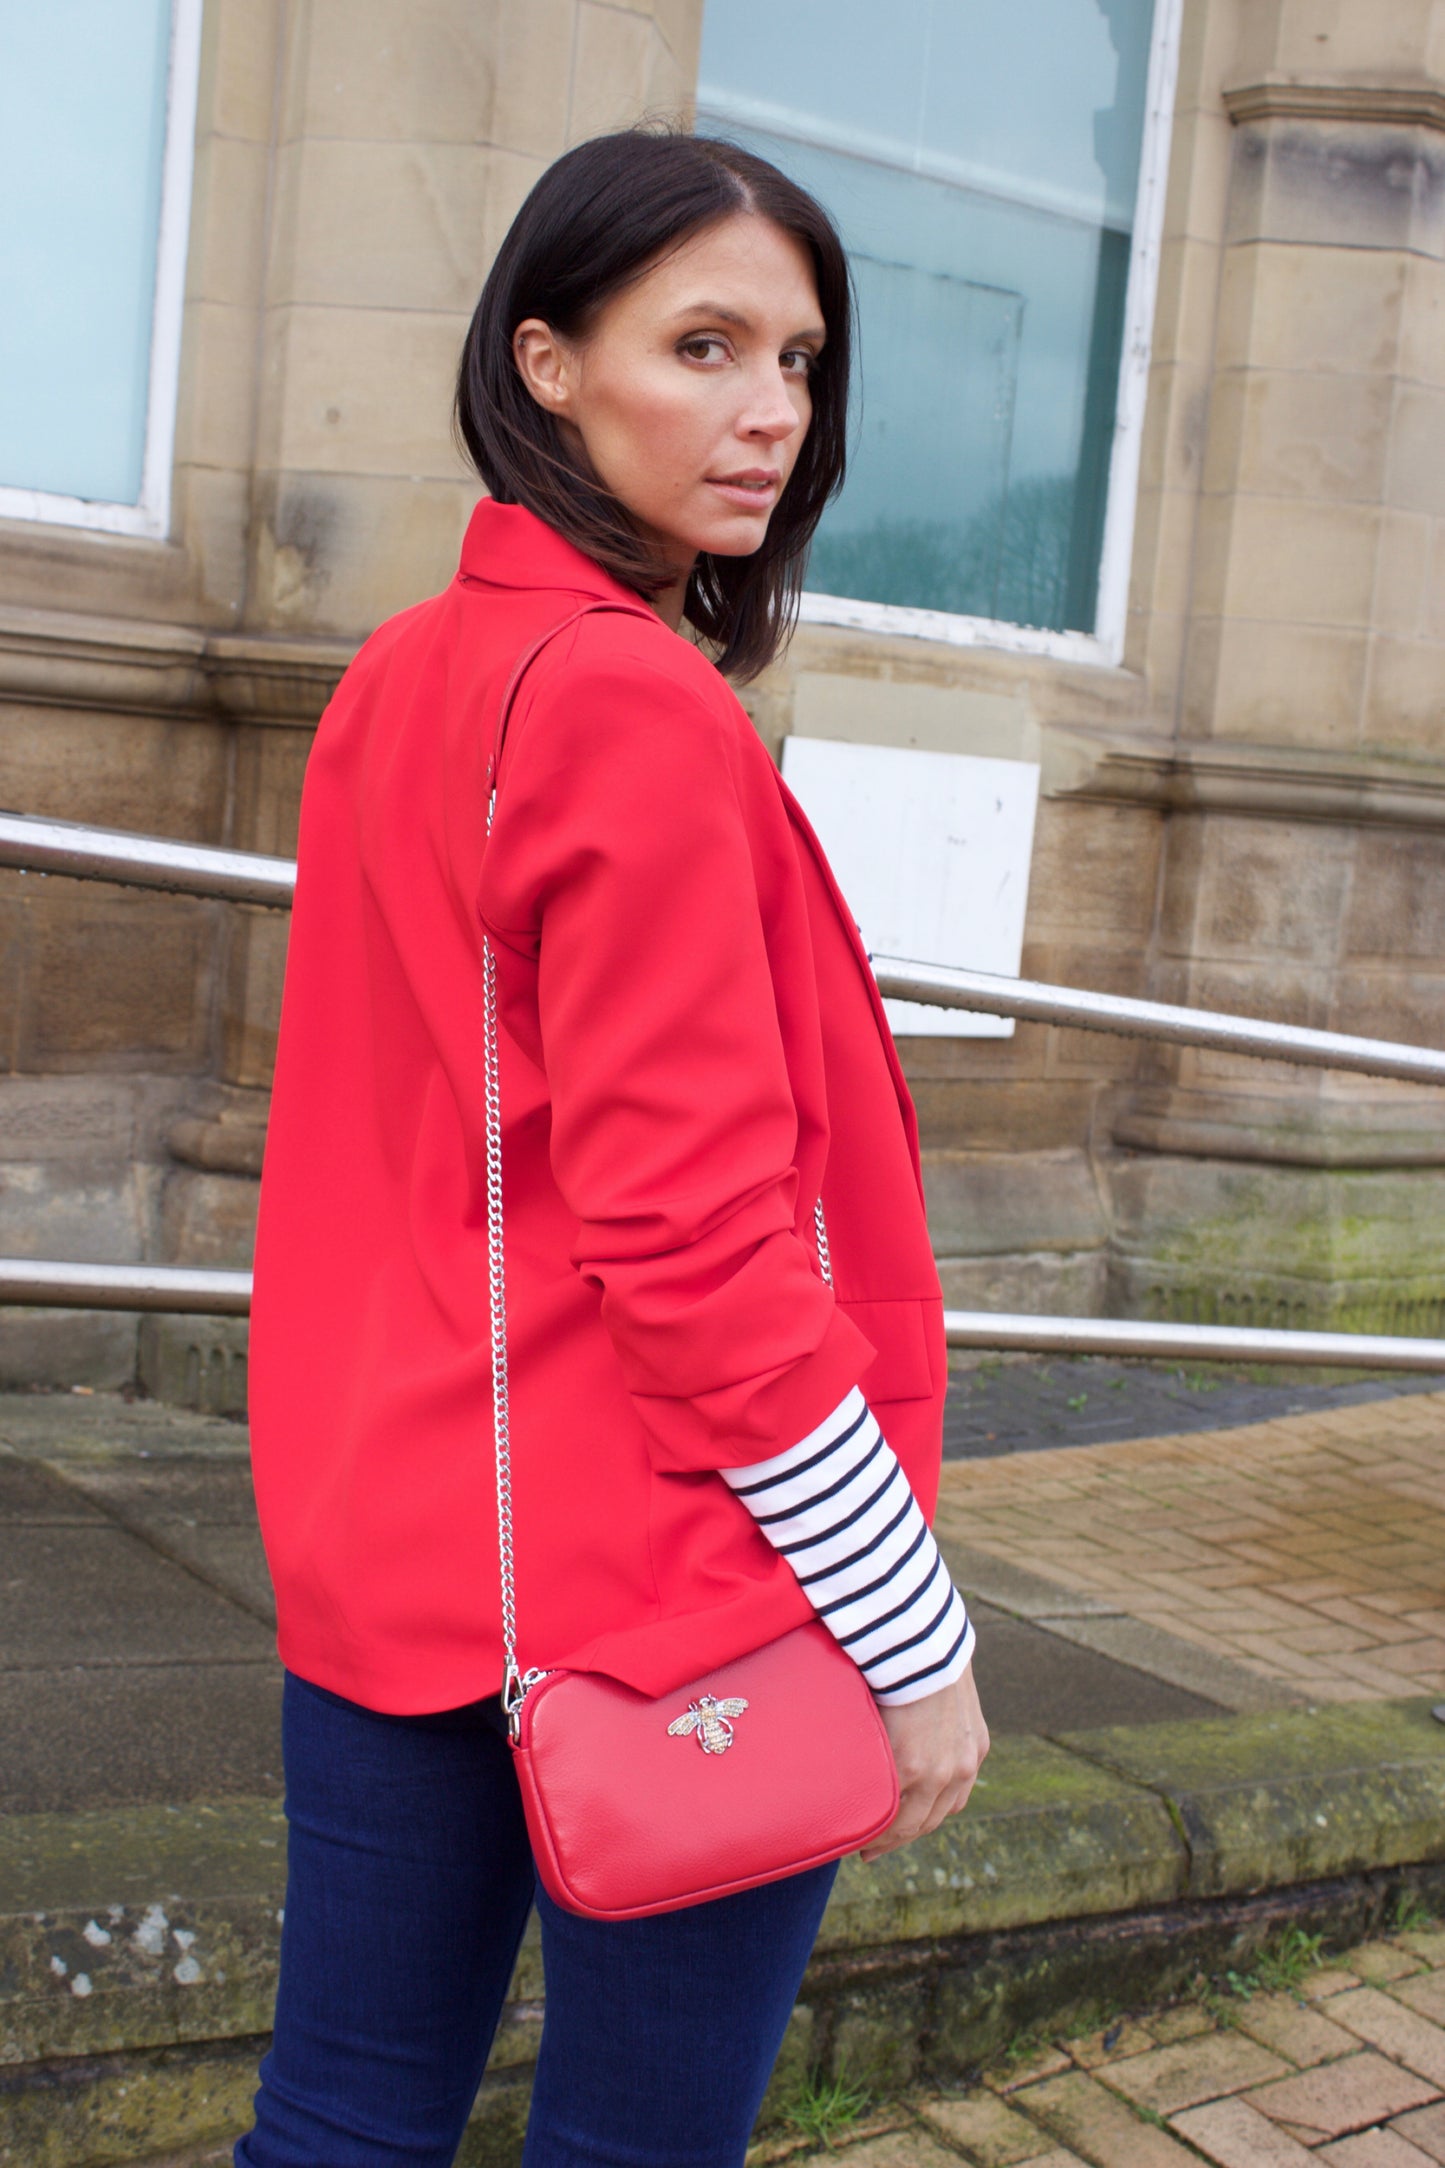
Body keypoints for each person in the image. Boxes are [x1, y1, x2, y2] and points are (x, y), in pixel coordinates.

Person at [239, 127, 989, 2168]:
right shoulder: (637, 708)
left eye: (803, 361)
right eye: (706, 345)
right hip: (670, 1589)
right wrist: (912, 1632)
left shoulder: (401, 677)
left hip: (397, 1544)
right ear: (548, 361)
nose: (771, 414)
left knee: (341, 2118)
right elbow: (697, 1249)